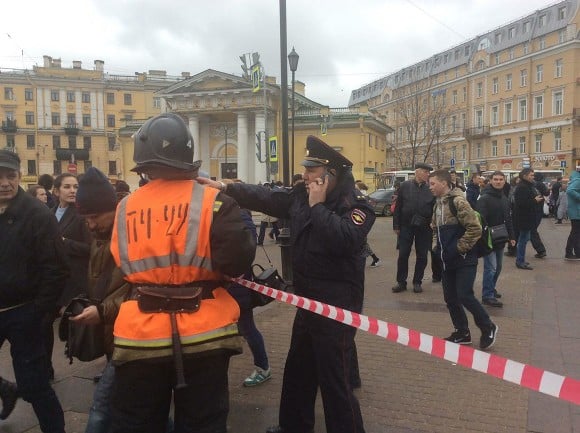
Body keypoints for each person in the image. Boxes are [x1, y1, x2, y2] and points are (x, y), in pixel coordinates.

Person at [198, 135, 374, 433]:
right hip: (307, 303)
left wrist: (318, 207)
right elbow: (266, 197)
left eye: (312, 170)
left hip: (336, 309)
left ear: (331, 174)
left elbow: (344, 239)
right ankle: (294, 426)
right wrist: (226, 187)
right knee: (298, 371)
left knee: (336, 381)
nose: (305, 175)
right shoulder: (300, 196)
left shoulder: (356, 206)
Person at [109, 113, 255, 433]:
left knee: (136, 423)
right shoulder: (215, 202)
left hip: (140, 335)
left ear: (143, 163)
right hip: (205, 335)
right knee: (203, 423)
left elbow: (120, 263)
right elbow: (237, 261)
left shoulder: (124, 207)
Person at [0, 149, 68, 431]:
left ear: (19, 176)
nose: (5, 183)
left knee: (35, 385)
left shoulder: (37, 214)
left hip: (23, 311)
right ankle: (6, 389)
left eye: (10, 176)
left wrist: (38, 312)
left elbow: (56, 268)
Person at [63, 167, 132, 433]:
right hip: (113, 335)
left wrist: (102, 311)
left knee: (101, 409)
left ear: (112, 208)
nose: (90, 225)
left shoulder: (131, 235)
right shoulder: (99, 236)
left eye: (94, 217)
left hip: (132, 338)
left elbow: (140, 291)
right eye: (86, 219)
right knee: (130, 408)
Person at [428, 169, 498, 350]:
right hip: (446, 260)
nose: (430, 187)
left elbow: (474, 228)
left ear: (444, 183)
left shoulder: (458, 202)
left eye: (433, 183)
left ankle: (487, 326)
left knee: (464, 295)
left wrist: (459, 248)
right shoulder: (437, 204)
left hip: (464, 258)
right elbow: (435, 229)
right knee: (450, 298)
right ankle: (462, 332)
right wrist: (436, 248)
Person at [222, 179, 272, 387]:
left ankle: (263, 368)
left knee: (248, 328)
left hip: (238, 286)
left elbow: (245, 251)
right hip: (227, 287)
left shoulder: (241, 217)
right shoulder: (228, 215)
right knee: (235, 328)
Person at [45, 173, 91, 381]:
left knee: (80, 326)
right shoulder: (49, 213)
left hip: (73, 281)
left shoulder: (82, 215)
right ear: (56, 191)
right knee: (44, 326)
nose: (72, 190)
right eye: (67, 187)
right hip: (51, 280)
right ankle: (45, 368)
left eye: (75, 186)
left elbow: (90, 248)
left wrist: (65, 243)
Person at [392, 162, 434, 293]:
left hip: (424, 227)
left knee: (422, 256)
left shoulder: (430, 188)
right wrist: (396, 225)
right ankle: (401, 282)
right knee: (403, 254)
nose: (428, 174)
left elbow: (434, 207)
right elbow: (398, 207)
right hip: (406, 226)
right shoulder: (405, 186)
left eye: (428, 172)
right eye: (425, 172)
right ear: (417, 172)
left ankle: (417, 282)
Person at [475, 171, 515, 308]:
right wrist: (485, 235)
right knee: (491, 268)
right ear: (491, 181)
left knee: (498, 267)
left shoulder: (503, 198)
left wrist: (512, 236)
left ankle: (491, 288)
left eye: (501, 179)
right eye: (496, 179)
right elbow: (479, 219)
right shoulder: (484, 198)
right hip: (488, 239)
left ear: (504, 181)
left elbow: (508, 219)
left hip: (500, 238)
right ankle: (487, 295)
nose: (498, 182)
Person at [513, 168, 544, 270]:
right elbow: (521, 203)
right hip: (524, 218)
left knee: (524, 239)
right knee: (523, 240)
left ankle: (521, 260)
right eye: (531, 175)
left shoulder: (527, 186)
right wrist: (535, 200)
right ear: (525, 176)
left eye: (533, 175)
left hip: (527, 217)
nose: (533, 177)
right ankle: (520, 261)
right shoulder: (522, 187)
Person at [355, 181, 380, 267]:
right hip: (361, 223)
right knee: (362, 243)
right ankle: (375, 259)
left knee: (362, 243)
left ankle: (375, 259)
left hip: (361, 223)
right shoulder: (364, 197)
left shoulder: (363, 197)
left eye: (356, 187)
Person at [530, 172, 549, 259]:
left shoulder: (532, 184)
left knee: (531, 230)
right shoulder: (540, 184)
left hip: (532, 209)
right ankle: (541, 250)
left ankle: (541, 250)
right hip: (538, 209)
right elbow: (546, 193)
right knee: (531, 230)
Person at [565, 169, 580, 260]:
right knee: (576, 233)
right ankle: (572, 253)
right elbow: (570, 191)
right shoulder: (578, 180)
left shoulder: (576, 179)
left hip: (575, 211)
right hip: (577, 211)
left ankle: (571, 253)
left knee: (575, 233)